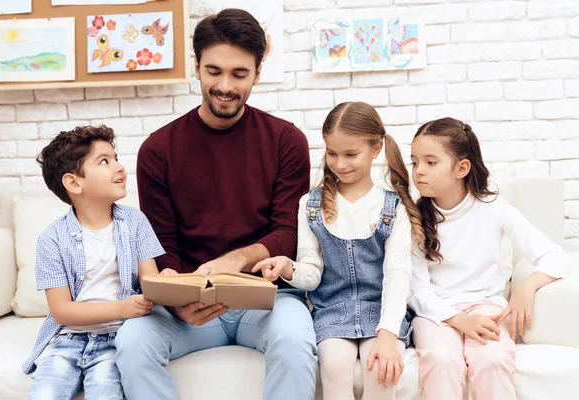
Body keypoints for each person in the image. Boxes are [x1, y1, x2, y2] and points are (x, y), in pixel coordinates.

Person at [114, 8, 317, 400]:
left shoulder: (286, 141)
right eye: (214, 71)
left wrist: (235, 261)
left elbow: (287, 233)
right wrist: (174, 302)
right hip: (190, 307)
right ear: (196, 67)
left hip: (266, 299)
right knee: (133, 343)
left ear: (258, 72)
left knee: (295, 340)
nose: (225, 85)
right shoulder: (158, 149)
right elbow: (161, 244)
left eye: (239, 74)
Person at [253, 101, 425, 400]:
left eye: (350, 154)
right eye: (332, 153)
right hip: (332, 313)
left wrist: (386, 334)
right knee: (333, 367)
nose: (340, 164)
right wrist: (288, 266)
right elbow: (312, 273)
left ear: (376, 148)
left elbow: (398, 276)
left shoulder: (392, 207)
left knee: (380, 372)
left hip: (382, 313)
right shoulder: (311, 205)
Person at [409, 117, 569, 400]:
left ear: (461, 168)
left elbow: (555, 255)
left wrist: (527, 286)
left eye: (430, 162)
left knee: (493, 360)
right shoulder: (414, 218)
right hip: (436, 313)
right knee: (443, 360)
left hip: (486, 308)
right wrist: (459, 320)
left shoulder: (493, 208)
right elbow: (417, 290)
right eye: (415, 162)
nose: (419, 171)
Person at [23, 125, 165, 400]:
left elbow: (151, 283)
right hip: (66, 341)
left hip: (116, 341)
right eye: (104, 161)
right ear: (74, 183)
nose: (119, 167)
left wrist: (171, 285)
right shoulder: (51, 239)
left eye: (115, 157)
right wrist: (121, 307)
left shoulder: (136, 223)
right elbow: (62, 312)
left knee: (105, 393)